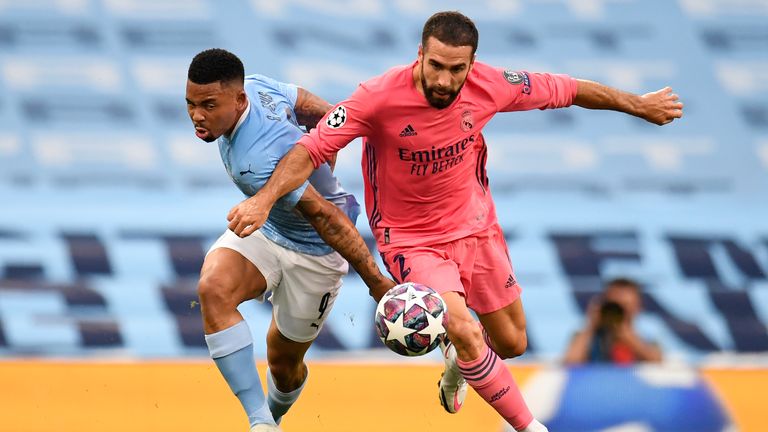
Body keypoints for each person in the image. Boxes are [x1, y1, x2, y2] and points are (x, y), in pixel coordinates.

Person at [225, 11, 683, 432]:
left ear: (472, 64)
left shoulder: (493, 84)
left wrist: (637, 105)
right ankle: (528, 426)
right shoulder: (377, 97)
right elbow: (310, 150)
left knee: (510, 342)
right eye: (436, 66)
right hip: (411, 238)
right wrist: (264, 200)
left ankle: (457, 361)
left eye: (456, 69)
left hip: (476, 225)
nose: (444, 80)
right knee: (463, 327)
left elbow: (568, 89)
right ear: (420, 55)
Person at [185, 48, 394, 432]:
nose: (198, 115)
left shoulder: (259, 157)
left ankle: (274, 414)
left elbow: (326, 219)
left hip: (317, 252)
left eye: (208, 105)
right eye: (191, 104)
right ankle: (261, 422)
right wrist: (332, 139)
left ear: (238, 100)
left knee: (283, 365)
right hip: (267, 230)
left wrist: (376, 282)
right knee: (213, 289)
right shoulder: (256, 86)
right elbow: (306, 102)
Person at [563, 277, 662, 364]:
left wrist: (629, 338)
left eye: (626, 306)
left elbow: (658, 363)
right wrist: (591, 326)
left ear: (638, 308)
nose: (620, 312)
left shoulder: (647, 338)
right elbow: (570, 362)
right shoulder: (589, 338)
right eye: (615, 306)